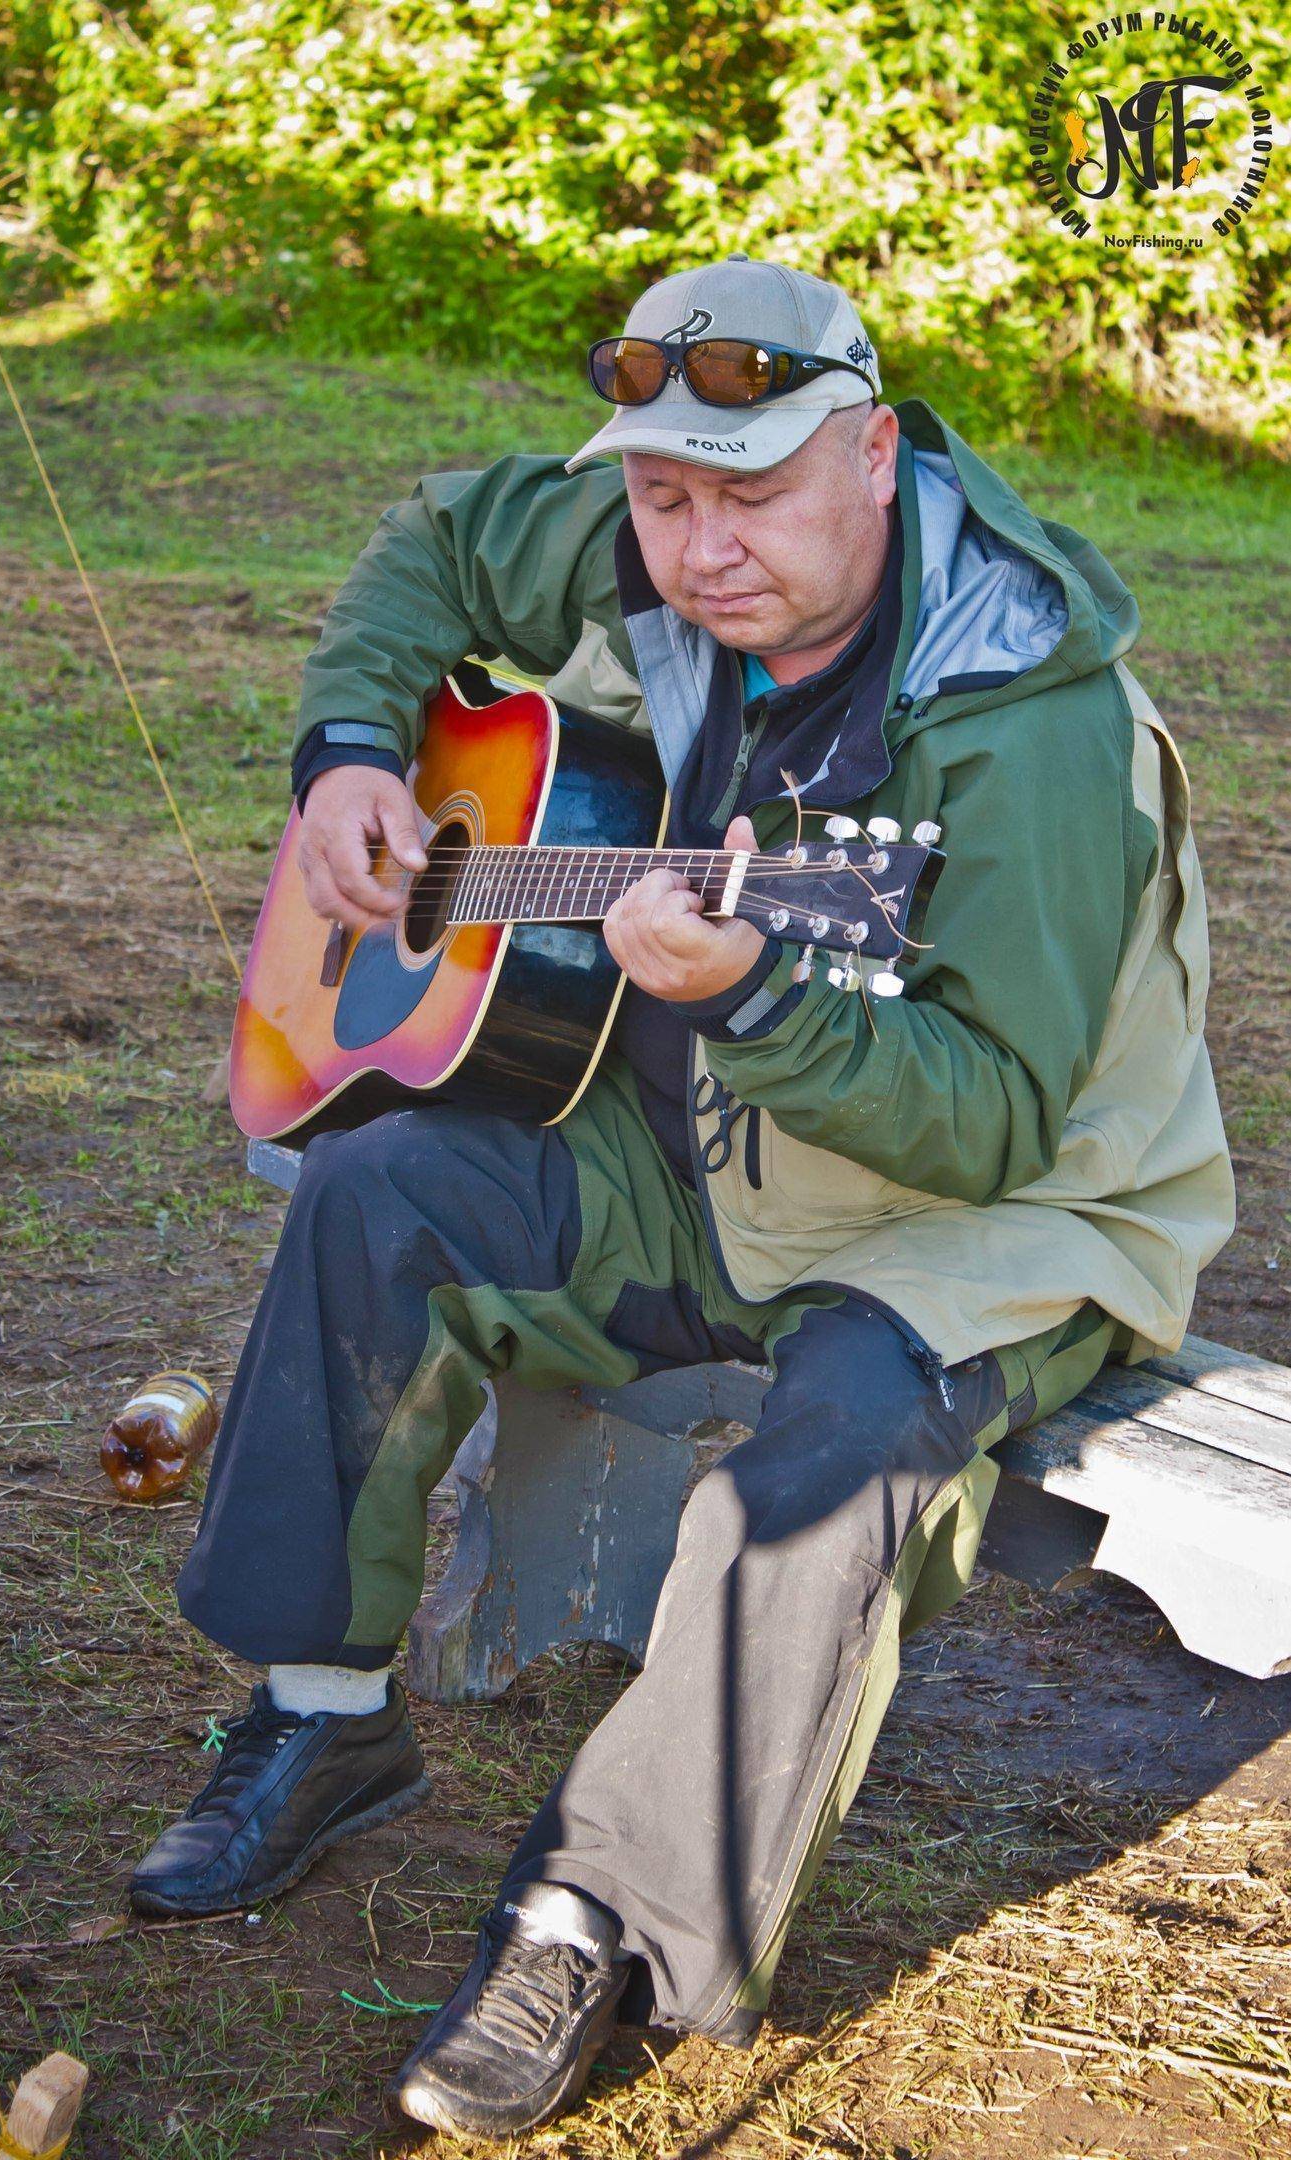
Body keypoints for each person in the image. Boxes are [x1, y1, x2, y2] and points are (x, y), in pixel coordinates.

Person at [131, 257, 1234, 2138]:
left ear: (872, 456)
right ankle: (320, 1715)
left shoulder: (1033, 724)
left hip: (998, 1213)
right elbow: (437, 539)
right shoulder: (658, 541)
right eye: (661, 499)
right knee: (378, 1190)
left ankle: (599, 1921)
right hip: (698, 1148)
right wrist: (346, 760)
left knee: (833, 1454)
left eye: (754, 495)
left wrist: (760, 996)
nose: (702, 551)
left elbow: (988, 1122)